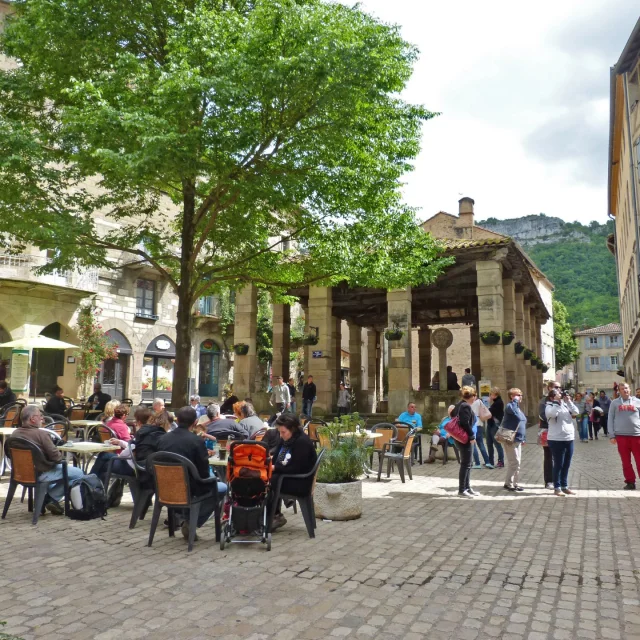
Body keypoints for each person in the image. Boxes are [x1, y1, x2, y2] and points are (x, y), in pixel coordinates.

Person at [157, 406, 227, 540]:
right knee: (222, 488)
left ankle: (184, 517)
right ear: (195, 422)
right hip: (190, 489)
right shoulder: (196, 441)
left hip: (165, 488)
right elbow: (204, 474)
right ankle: (191, 521)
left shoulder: (163, 439)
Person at [12, 405, 84, 513]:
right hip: (41, 473)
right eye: (40, 415)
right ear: (32, 419)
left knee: (63, 474)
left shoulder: (15, 434)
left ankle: (45, 500)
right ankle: (50, 499)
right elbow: (57, 458)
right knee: (78, 474)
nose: (43, 418)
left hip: (21, 474)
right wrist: (59, 455)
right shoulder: (41, 434)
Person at [269, 413, 318, 531]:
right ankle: (272, 515)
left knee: (268, 483)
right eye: (279, 432)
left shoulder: (302, 442)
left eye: (283, 432)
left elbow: (297, 467)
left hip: (300, 482)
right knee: (266, 478)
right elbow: (276, 459)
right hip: (289, 476)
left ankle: (271, 517)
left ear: (293, 429)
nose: (281, 435)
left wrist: (275, 468)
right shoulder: (287, 439)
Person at [545, 388, 579, 496]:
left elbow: (576, 412)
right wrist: (556, 403)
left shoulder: (565, 405)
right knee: (558, 464)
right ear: (551, 397)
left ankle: (565, 486)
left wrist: (569, 401)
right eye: (557, 394)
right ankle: (557, 487)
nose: (560, 395)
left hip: (569, 438)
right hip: (556, 439)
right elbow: (553, 414)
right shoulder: (549, 406)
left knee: (566, 464)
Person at [608, 382, 640, 490]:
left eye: (626, 388)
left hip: (637, 436)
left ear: (630, 389)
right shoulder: (614, 403)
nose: (625, 390)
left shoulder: (637, 402)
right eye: (622, 389)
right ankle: (630, 481)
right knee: (626, 461)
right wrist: (612, 435)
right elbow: (610, 419)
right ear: (619, 391)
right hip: (621, 436)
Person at [89, 405, 132, 482]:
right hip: (119, 454)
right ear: (124, 416)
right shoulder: (121, 426)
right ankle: (92, 479)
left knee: (101, 459)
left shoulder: (108, 423)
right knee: (102, 459)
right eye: (127, 415)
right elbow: (129, 444)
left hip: (107, 453)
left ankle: (91, 478)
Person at [451, 386, 478, 498]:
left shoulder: (459, 405)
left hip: (458, 437)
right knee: (466, 464)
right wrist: (471, 436)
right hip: (465, 438)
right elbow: (464, 423)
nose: (475, 399)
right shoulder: (465, 406)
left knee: (468, 463)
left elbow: (452, 415)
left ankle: (467, 487)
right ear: (472, 396)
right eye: (474, 396)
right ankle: (462, 489)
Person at [501, 388, 527, 492]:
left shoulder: (518, 407)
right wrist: (515, 401)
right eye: (518, 395)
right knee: (514, 462)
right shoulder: (510, 406)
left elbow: (522, 422)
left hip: (518, 439)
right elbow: (515, 413)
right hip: (510, 439)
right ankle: (508, 484)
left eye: (521, 395)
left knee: (517, 463)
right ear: (512, 396)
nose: (520, 397)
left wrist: (523, 438)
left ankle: (515, 483)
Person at [538, 381, 560, 490]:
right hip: (548, 430)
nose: (558, 389)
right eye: (556, 387)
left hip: (560, 432)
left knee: (559, 456)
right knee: (549, 456)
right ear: (549, 388)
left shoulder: (561, 401)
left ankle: (559, 480)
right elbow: (543, 415)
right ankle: (549, 481)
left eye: (559, 387)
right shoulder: (544, 401)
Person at [470, 394, 492, 469]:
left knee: (473, 444)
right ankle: (487, 462)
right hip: (479, 424)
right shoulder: (479, 402)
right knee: (481, 444)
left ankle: (477, 463)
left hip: (472, 425)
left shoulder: (468, 403)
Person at [486, 387, 505, 469]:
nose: (490, 396)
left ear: (495, 394)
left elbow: (490, 412)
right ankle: (490, 461)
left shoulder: (499, 402)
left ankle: (501, 461)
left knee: (497, 444)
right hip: (490, 424)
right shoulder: (494, 402)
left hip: (495, 425)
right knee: (489, 443)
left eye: (491, 394)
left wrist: (488, 404)